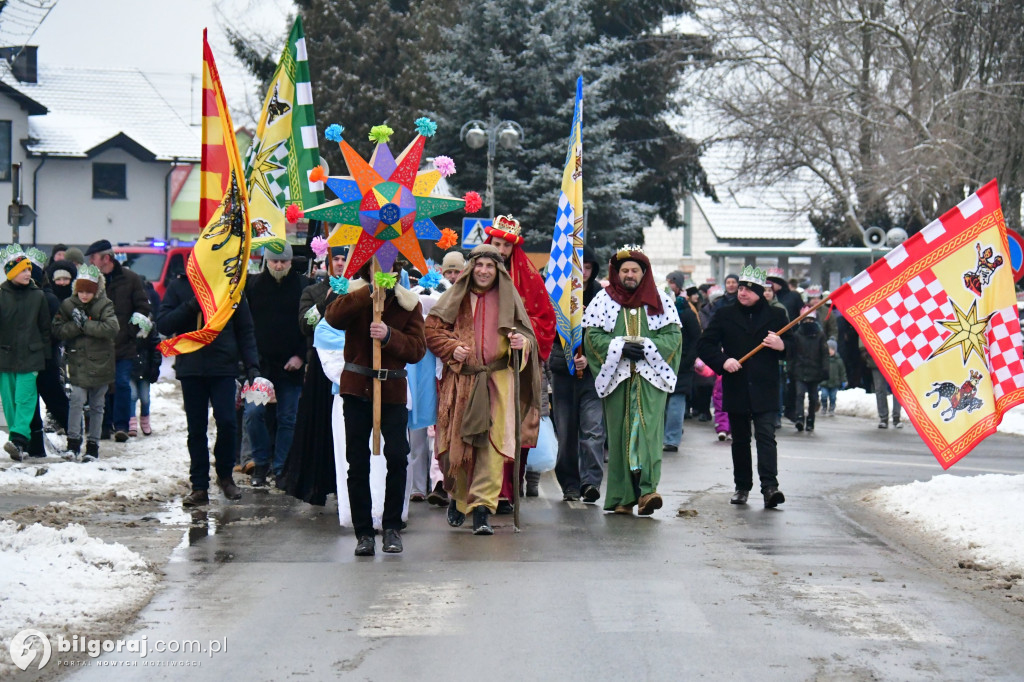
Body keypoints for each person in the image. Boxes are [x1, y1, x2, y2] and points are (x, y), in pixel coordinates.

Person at [425, 244, 542, 535]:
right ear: (471, 267)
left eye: (491, 266)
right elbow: (431, 331)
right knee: (460, 445)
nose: (484, 271)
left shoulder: (508, 298)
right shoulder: (456, 296)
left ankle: (482, 509)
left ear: (497, 270)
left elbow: (527, 335)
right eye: (480, 265)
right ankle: (460, 498)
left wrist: (522, 345)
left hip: (499, 380)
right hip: (462, 380)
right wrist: (453, 348)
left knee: (492, 446)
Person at [323, 261, 426, 556]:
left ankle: (392, 527)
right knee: (357, 462)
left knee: (397, 457)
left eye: (390, 264)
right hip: (357, 389)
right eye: (377, 265)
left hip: (392, 389)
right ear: (367, 268)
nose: (383, 270)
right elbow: (332, 318)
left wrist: (390, 336)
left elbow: (418, 349)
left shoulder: (408, 302)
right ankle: (364, 533)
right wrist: (368, 292)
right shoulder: (354, 293)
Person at [583, 247, 681, 516]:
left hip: (651, 379)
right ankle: (622, 496)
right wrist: (619, 348)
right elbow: (593, 338)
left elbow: (673, 337)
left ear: (643, 273)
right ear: (616, 273)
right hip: (618, 379)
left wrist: (647, 347)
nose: (629, 275)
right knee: (618, 436)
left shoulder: (660, 300)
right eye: (624, 270)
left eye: (634, 270)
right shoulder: (603, 300)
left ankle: (648, 491)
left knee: (648, 435)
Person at [157, 272, 259, 506]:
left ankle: (225, 476)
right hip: (191, 367)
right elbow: (164, 323)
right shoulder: (179, 286)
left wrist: (252, 366)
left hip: (223, 366)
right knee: (196, 429)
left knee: (227, 422)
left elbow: (245, 330)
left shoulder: (230, 287)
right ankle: (199, 486)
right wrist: (191, 305)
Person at [697, 265, 790, 508]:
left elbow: (795, 348)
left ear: (760, 292)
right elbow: (705, 344)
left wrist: (781, 345)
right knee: (739, 439)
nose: (743, 292)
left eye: (748, 289)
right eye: (740, 287)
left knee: (766, 437)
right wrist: (723, 361)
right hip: (736, 384)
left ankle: (770, 487)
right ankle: (742, 486)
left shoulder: (777, 316)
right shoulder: (725, 314)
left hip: (765, 386)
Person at [484, 215, 556, 512]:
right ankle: (482, 491)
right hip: (484, 366)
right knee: (483, 427)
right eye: (496, 243)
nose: (500, 251)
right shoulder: (476, 273)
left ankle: (508, 490)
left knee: (516, 427)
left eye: (506, 246)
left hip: (519, 367)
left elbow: (545, 320)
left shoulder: (529, 279)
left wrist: (525, 338)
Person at [279, 247, 346, 507]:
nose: (340, 264)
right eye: (335, 259)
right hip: (321, 368)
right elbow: (305, 324)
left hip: (351, 364)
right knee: (321, 423)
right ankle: (318, 483)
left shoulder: (358, 289)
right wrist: (325, 300)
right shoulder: (313, 291)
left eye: (344, 259)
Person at [244, 243, 309, 486]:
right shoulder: (253, 286)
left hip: (291, 367)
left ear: (291, 262)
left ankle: (282, 468)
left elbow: (310, 326)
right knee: (253, 413)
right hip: (260, 368)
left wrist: (301, 356)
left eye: (283, 261)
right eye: (274, 261)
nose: (279, 265)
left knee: (288, 419)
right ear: (266, 261)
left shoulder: (303, 286)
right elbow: (245, 327)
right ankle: (261, 463)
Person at [551, 246, 606, 502]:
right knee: (567, 432)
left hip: (593, 376)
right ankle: (570, 483)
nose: (582, 273)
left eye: (587, 268)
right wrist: (567, 358)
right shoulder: (557, 295)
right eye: (578, 267)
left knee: (593, 430)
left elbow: (607, 337)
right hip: (564, 375)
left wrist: (591, 359)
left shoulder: (602, 297)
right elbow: (548, 337)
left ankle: (590, 481)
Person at [84, 239, 151, 442]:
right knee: (101, 386)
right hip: (100, 344)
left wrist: (131, 331)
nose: (91, 261)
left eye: (93, 257)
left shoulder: (130, 279)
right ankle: (104, 426)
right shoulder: (92, 280)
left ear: (106, 258)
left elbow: (143, 307)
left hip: (124, 345)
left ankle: (121, 425)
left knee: (122, 384)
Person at [52, 266, 118, 461]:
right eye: (81, 291)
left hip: (101, 363)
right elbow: (57, 330)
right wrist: (75, 326)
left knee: (97, 405)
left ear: (95, 290)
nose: (84, 295)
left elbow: (112, 328)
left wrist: (85, 324)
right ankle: (73, 443)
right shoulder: (67, 305)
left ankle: (93, 446)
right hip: (78, 362)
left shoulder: (105, 304)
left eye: (88, 291)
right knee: (76, 401)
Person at [1, 247, 52, 461]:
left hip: (31, 356)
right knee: (10, 400)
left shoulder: (38, 296)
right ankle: (17, 443)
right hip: (6, 356)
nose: (28, 274)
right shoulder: (1, 296)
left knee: (25, 399)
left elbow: (45, 328)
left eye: (29, 270)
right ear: (12, 272)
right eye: (23, 270)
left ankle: (20, 438)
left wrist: (47, 357)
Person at [663, 270, 701, 453]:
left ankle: (671, 438)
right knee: (664, 402)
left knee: (676, 401)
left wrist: (688, 360)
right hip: (664, 362)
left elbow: (696, 338)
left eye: (671, 282)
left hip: (682, 364)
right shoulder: (664, 311)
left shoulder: (686, 312)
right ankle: (665, 436)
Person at [786, 305, 828, 432]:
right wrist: (790, 368)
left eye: (810, 320)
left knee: (813, 397)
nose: (808, 322)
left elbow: (824, 354)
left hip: (815, 371)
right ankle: (799, 418)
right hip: (800, 370)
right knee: (799, 395)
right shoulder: (797, 335)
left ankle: (811, 420)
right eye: (806, 320)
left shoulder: (820, 336)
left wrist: (825, 370)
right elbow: (792, 354)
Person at [130, 278, 162, 437]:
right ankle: (131, 423)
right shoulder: (128, 324)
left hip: (145, 367)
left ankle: (145, 420)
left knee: (145, 398)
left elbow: (156, 348)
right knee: (132, 395)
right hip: (131, 366)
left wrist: (155, 367)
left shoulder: (151, 328)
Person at [860, 336, 902, 428]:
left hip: (895, 355)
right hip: (876, 355)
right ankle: (883, 417)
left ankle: (896, 417)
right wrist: (864, 349)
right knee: (879, 389)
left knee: (897, 388)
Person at [819, 339, 847, 416]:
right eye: (828, 349)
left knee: (833, 397)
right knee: (824, 396)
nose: (830, 351)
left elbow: (842, 372)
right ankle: (824, 407)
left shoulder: (839, 361)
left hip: (835, 383)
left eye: (832, 349)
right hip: (824, 383)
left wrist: (844, 380)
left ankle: (832, 408)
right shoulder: (823, 360)